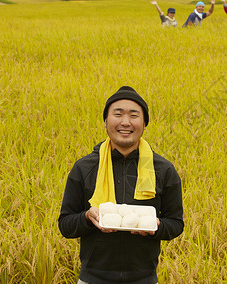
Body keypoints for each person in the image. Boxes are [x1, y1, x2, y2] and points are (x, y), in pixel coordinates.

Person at [58, 86, 184, 284]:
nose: (126, 122)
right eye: (118, 114)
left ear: (144, 124)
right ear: (106, 122)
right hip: (93, 279)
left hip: (145, 279)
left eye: (134, 115)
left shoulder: (163, 170)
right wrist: (87, 218)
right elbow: (65, 225)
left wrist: (156, 226)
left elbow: (176, 224)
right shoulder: (85, 168)